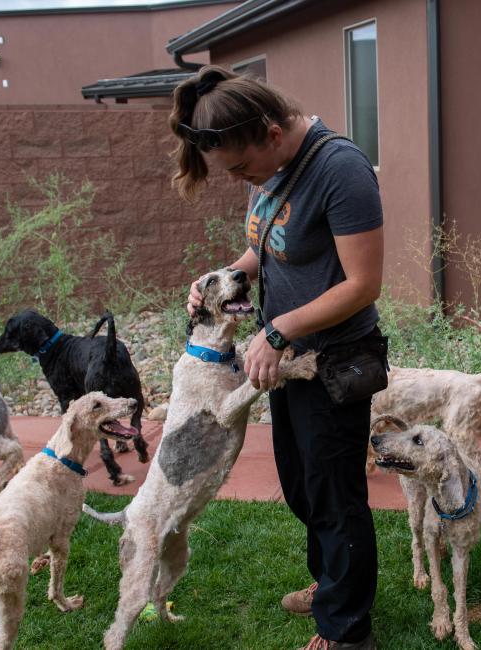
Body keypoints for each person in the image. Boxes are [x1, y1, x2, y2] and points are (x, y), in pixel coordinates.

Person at [174, 65, 384, 650]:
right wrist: (222, 276)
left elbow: (364, 284)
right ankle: (331, 583)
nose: (241, 179)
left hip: (334, 357)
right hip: (286, 357)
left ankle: (346, 632)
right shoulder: (272, 165)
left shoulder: (340, 169)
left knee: (336, 495)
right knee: (301, 484)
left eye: (240, 168)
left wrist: (279, 329)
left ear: (270, 132)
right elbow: (264, 242)